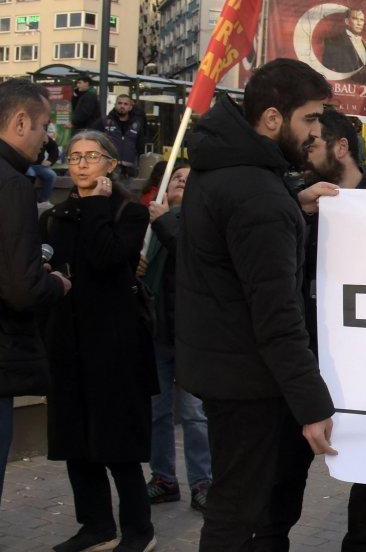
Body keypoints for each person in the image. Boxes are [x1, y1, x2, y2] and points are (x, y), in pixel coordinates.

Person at [175, 59, 337, 549]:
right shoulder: (256, 194)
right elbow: (277, 313)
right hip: (251, 379)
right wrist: (312, 404)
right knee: (240, 511)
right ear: (271, 118)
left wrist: (293, 204)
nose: (315, 132)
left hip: (225, 367)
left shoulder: (224, 169)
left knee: (240, 504)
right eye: (309, 119)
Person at [252, 107, 366, 550]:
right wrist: (300, 211)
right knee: (284, 473)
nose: (304, 150)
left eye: (312, 142)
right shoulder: (296, 200)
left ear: (340, 147)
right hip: (307, 359)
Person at [42, 130, 157, 552]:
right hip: (69, 342)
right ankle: (96, 526)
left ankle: (139, 530)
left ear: (112, 163)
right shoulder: (55, 214)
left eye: (91, 156)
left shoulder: (129, 212)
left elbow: (108, 259)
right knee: (75, 442)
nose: (81, 164)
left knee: (118, 444)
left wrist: (93, 206)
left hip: (114, 345)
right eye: (74, 157)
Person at [0, 79, 71, 506]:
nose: (47, 136)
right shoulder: (11, 183)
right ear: (20, 120)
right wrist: (55, 284)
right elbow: (21, 288)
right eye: (44, 125)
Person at [140, 161, 213, 513]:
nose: (181, 184)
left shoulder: (200, 225)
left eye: (188, 179)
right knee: (157, 412)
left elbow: (188, 255)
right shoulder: (150, 230)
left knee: (195, 415)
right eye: (175, 180)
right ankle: (163, 478)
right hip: (158, 334)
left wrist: (163, 221)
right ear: (164, 191)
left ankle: (202, 481)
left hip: (192, 337)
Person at [93, 93, 148, 178]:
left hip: (129, 170)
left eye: (125, 104)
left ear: (130, 107)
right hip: (109, 168)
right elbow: (93, 139)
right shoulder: (104, 122)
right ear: (115, 105)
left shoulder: (137, 125)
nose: (122, 106)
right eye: (119, 103)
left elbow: (140, 146)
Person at [322, 8, 366, 80]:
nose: (359, 23)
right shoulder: (333, 41)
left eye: (362, 20)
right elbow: (327, 70)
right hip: (343, 87)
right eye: (355, 19)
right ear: (347, 21)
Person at [28, 126, 59, 204]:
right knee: (30, 174)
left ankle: (43, 200)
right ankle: (28, 200)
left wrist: (50, 160)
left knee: (52, 175)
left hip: (39, 165)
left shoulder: (41, 135)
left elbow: (54, 148)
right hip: (25, 165)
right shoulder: (22, 135)